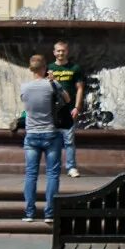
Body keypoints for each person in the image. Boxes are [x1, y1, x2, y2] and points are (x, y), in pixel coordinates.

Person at [18, 54, 64, 221]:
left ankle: (29, 213)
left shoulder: (24, 87)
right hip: (51, 134)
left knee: (31, 175)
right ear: (45, 68)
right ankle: (49, 214)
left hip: (31, 136)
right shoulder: (52, 85)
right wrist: (53, 81)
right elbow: (67, 100)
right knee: (52, 175)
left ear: (31, 69)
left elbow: (27, 104)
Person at [47, 40, 83, 178]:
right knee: (52, 139)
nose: (61, 53)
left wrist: (76, 107)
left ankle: (71, 167)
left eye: (63, 50)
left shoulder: (75, 68)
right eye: (58, 50)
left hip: (68, 109)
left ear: (67, 52)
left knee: (69, 140)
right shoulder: (49, 68)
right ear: (54, 52)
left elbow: (80, 88)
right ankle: (53, 166)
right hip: (52, 109)